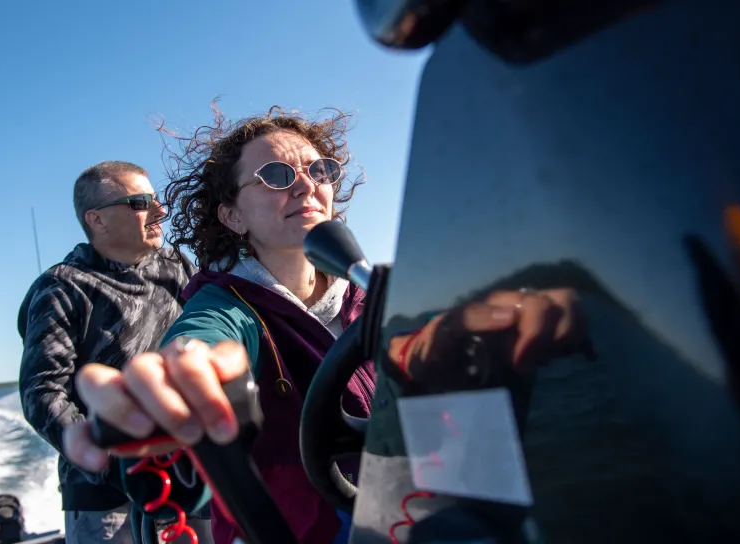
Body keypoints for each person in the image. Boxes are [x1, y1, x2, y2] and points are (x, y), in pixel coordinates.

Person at [59, 108, 590, 544]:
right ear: (233, 217)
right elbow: (203, 338)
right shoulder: (227, 305)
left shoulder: (381, 297)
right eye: (276, 177)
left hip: (420, 517)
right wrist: (184, 374)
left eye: (319, 171)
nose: (306, 187)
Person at [17, 160, 202, 543]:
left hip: (192, 475)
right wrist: (114, 464)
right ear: (97, 220)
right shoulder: (62, 288)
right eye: (140, 202)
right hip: (105, 497)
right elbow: (42, 393)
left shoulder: (178, 267)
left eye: (156, 199)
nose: (160, 211)